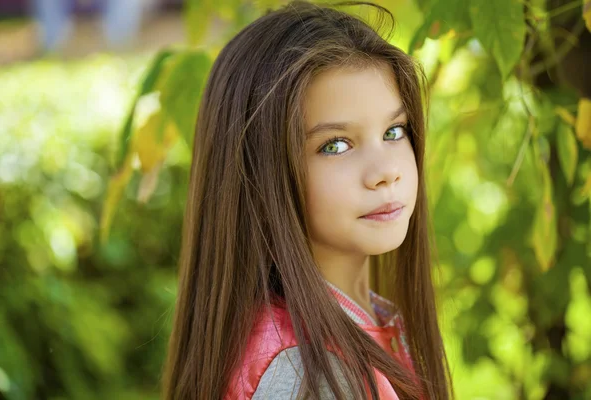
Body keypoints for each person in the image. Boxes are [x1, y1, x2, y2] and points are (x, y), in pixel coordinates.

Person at [162, 1, 453, 399]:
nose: (386, 171)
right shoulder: (312, 375)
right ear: (260, 173)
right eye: (335, 145)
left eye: (394, 131)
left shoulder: (352, 327)